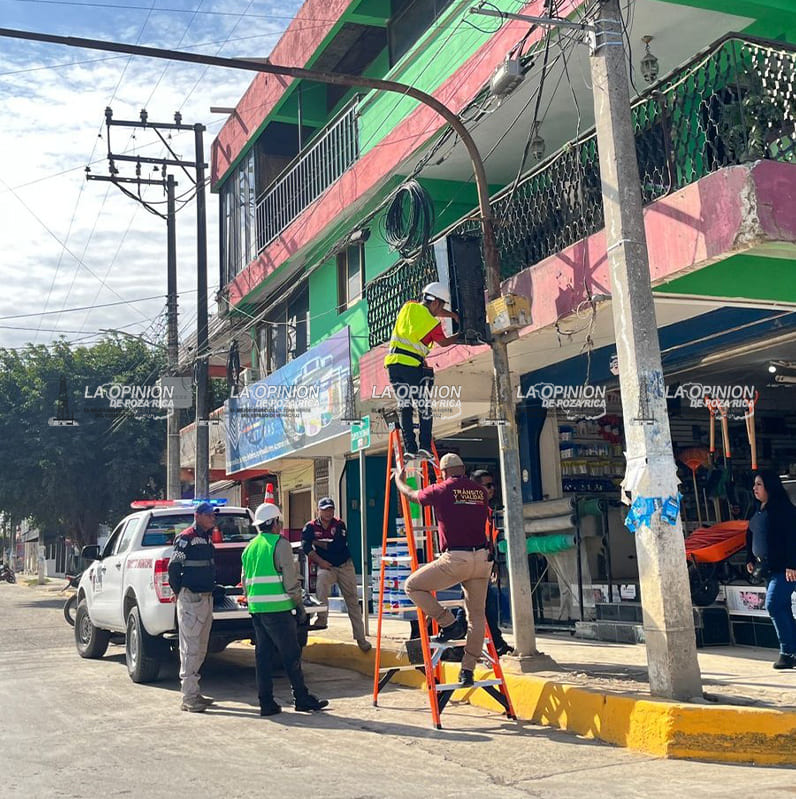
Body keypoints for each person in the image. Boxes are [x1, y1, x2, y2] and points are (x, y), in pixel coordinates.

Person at [395, 452, 492, 687]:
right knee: (477, 617)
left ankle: (448, 622)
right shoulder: (480, 491)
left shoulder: (442, 489)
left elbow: (413, 495)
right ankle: (467, 671)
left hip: (456, 558)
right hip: (482, 559)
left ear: (445, 472)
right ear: (464, 470)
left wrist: (399, 480)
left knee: (413, 585)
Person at [242, 502, 329, 715]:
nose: (280, 525)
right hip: (278, 609)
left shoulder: (250, 547)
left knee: (262, 658)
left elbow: (244, 580)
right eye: (279, 521)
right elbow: (290, 580)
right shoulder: (280, 544)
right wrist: (298, 604)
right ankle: (301, 698)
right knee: (291, 655)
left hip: (257, 610)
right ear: (273, 523)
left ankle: (266, 702)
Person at [383, 281, 460, 459]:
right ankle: (424, 446)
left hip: (393, 365)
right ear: (436, 303)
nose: (440, 311)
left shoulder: (408, 307)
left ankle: (410, 449)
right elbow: (445, 342)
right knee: (424, 406)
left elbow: (431, 309)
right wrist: (462, 333)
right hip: (411, 366)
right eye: (440, 306)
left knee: (405, 407)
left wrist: (451, 315)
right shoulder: (432, 324)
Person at [302, 497, 371, 652]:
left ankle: (361, 639)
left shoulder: (339, 524)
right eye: (325, 509)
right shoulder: (310, 527)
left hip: (345, 565)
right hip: (326, 566)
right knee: (321, 584)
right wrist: (321, 561)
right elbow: (306, 547)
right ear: (318, 510)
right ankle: (322, 618)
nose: (328, 513)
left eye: (330, 509)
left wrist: (317, 542)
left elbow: (337, 546)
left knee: (353, 601)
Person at [167, 501, 218, 712]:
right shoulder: (186, 538)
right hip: (191, 600)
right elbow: (173, 566)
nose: (212, 519)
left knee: (201, 648)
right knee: (190, 649)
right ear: (197, 516)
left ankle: (194, 692)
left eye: (213, 516)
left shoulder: (206, 538)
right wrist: (179, 591)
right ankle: (188, 697)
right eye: (208, 515)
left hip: (205, 599)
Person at [745, 470, 796, 669]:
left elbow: (793, 538)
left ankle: (787, 651)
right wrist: (750, 557)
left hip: (785, 569)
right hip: (766, 567)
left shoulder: (784, 510)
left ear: (769, 486)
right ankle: (791, 651)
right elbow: (750, 534)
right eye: (754, 484)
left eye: (759, 484)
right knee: (781, 608)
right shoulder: (758, 510)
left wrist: (792, 564)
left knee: (773, 604)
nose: (755, 488)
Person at [460, 469, 514, 657]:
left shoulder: (487, 510)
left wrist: (494, 563)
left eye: (493, 485)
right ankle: (495, 643)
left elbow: (489, 538)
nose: (492, 489)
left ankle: (491, 643)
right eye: (487, 485)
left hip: (482, 563)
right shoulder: (471, 509)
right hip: (471, 563)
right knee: (481, 605)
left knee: (480, 605)